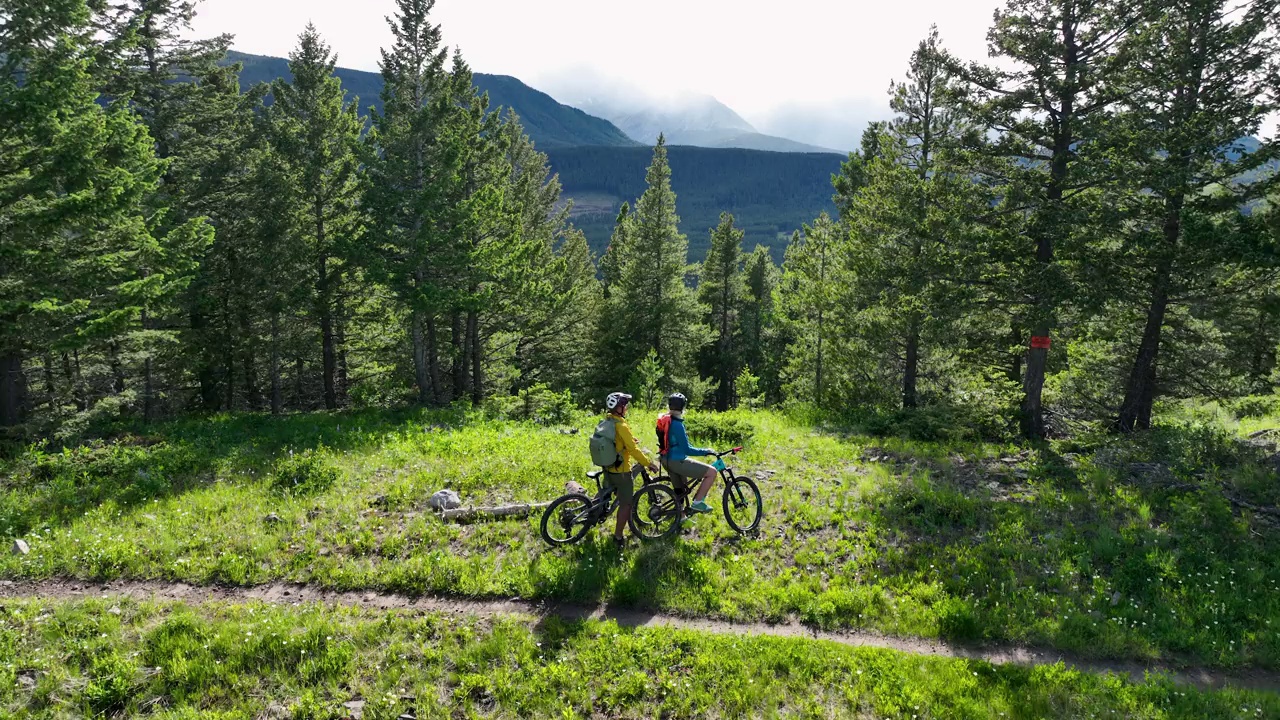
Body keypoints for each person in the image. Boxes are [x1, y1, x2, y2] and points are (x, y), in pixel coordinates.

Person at [601, 392, 660, 545]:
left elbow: (615, 441)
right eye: (624, 405)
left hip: (608, 468)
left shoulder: (607, 421)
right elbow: (633, 450)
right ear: (619, 408)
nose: (626, 408)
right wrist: (648, 463)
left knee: (603, 496)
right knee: (626, 504)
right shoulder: (621, 425)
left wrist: (629, 440)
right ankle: (618, 537)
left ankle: (593, 516)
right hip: (621, 472)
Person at [657, 393, 718, 515]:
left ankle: (680, 518)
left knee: (681, 491)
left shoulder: (666, 420)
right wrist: (706, 451)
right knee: (712, 472)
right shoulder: (677, 425)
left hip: (666, 460)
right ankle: (698, 502)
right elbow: (687, 450)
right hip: (677, 461)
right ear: (683, 407)